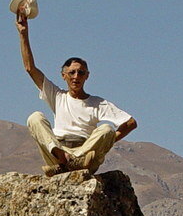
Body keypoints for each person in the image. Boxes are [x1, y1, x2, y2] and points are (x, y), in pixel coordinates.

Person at [16, 9, 137, 175]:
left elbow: (130, 122)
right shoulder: (58, 97)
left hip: (86, 156)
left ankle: (74, 161)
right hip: (58, 152)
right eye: (72, 72)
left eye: (81, 72)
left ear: (87, 76)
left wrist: (106, 142)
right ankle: (62, 159)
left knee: (107, 129)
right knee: (35, 117)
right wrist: (23, 34)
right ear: (64, 75)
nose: (76, 76)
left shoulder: (97, 103)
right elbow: (30, 68)